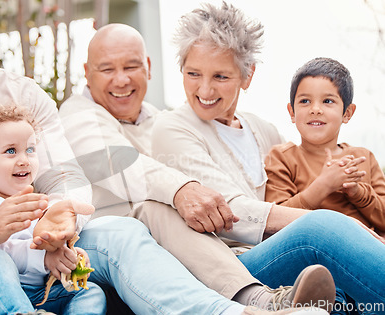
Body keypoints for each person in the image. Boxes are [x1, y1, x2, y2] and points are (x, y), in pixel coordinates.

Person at [0, 1, 313, 315]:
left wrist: (62, 221)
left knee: (120, 234)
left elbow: (66, 177)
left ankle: (236, 313)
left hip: (40, 255)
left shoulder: (24, 95)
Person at [58, 17, 334, 314]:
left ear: (149, 67)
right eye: (107, 69)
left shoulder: (160, 119)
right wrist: (181, 190)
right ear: (87, 73)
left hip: (178, 250)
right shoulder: (77, 115)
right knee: (155, 207)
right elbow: (122, 168)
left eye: (131, 66)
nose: (122, 80)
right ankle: (258, 300)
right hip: (98, 245)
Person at [151, 1, 385, 313]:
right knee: (321, 230)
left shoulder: (263, 129)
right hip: (232, 266)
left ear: (247, 76)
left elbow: (301, 172)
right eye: (193, 73)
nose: (204, 88)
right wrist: (346, 228)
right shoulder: (173, 128)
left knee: (343, 280)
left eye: (221, 76)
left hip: (277, 255)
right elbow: (229, 213)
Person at [0, 105, 106, 314]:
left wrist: (66, 256)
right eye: (10, 151)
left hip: (33, 293)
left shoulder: (39, 202)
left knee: (90, 292)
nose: (24, 160)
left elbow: (44, 245)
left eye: (30, 150)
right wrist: (45, 259)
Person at [264, 57, 385, 234]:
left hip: (366, 249)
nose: (315, 109)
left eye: (327, 101)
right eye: (305, 101)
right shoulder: (282, 158)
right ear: (292, 112)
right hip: (310, 250)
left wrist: (358, 192)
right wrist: (323, 185)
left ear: (347, 113)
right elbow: (274, 223)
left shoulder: (363, 158)